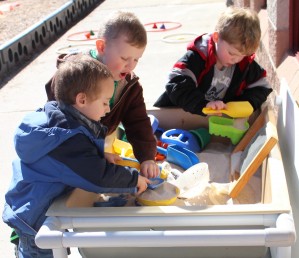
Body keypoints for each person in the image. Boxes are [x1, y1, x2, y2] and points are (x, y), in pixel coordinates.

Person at [2, 55, 151, 258]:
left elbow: (79, 156)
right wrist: (134, 180)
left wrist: (101, 155)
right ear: (82, 100)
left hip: (39, 204)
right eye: (106, 102)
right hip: (35, 218)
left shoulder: (63, 119)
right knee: (42, 253)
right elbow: (97, 176)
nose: (108, 109)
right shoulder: (65, 138)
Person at [46, 10, 160, 178]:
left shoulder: (129, 86)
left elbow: (138, 122)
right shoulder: (75, 75)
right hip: (66, 148)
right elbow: (60, 122)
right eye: (124, 58)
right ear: (102, 47)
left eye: (136, 59)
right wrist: (94, 154)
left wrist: (147, 158)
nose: (130, 66)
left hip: (96, 145)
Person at [154, 7, 272, 116]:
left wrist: (244, 104)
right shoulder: (197, 57)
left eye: (242, 55)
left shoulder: (244, 63)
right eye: (231, 53)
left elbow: (262, 87)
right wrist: (203, 104)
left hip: (213, 120)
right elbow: (176, 85)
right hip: (179, 116)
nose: (236, 59)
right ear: (216, 37)